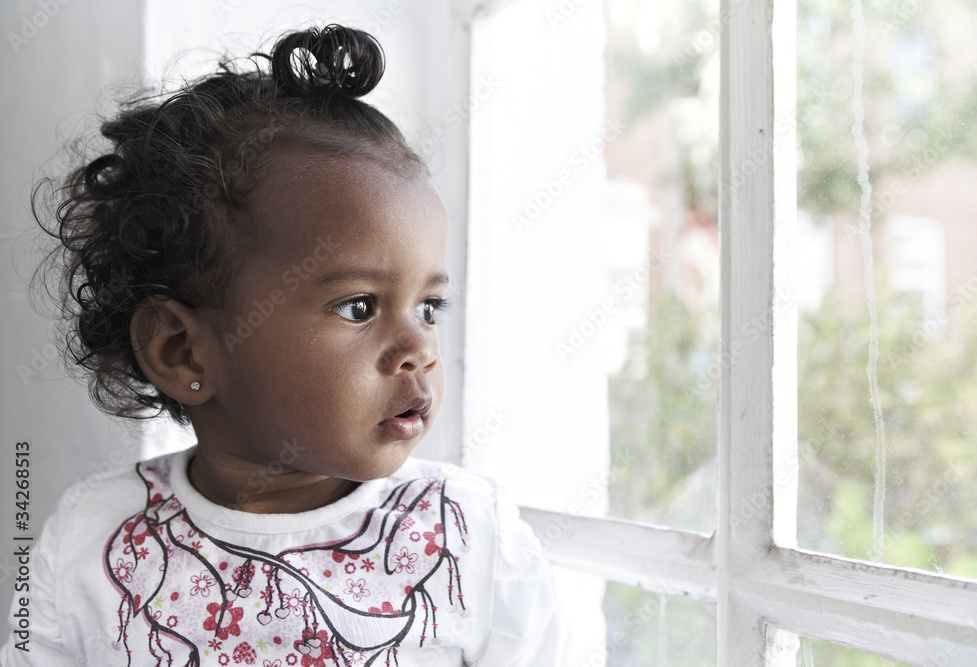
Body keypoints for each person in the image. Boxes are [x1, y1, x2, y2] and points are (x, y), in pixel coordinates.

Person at [1, 24, 564, 666]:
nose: (419, 348)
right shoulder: (94, 538)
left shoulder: (468, 536)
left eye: (429, 307)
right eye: (359, 306)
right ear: (183, 351)